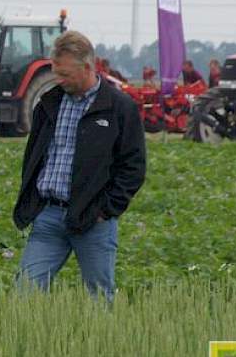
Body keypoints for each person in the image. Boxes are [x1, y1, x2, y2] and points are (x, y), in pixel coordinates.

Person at [13, 30, 146, 301]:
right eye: (56, 73)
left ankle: (99, 343)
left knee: (99, 298)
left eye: (65, 74)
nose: (59, 80)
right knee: (24, 293)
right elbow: (35, 156)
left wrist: (106, 209)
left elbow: (133, 166)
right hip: (48, 215)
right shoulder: (49, 103)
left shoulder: (119, 108)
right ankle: (25, 342)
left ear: (87, 67)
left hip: (93, 220)